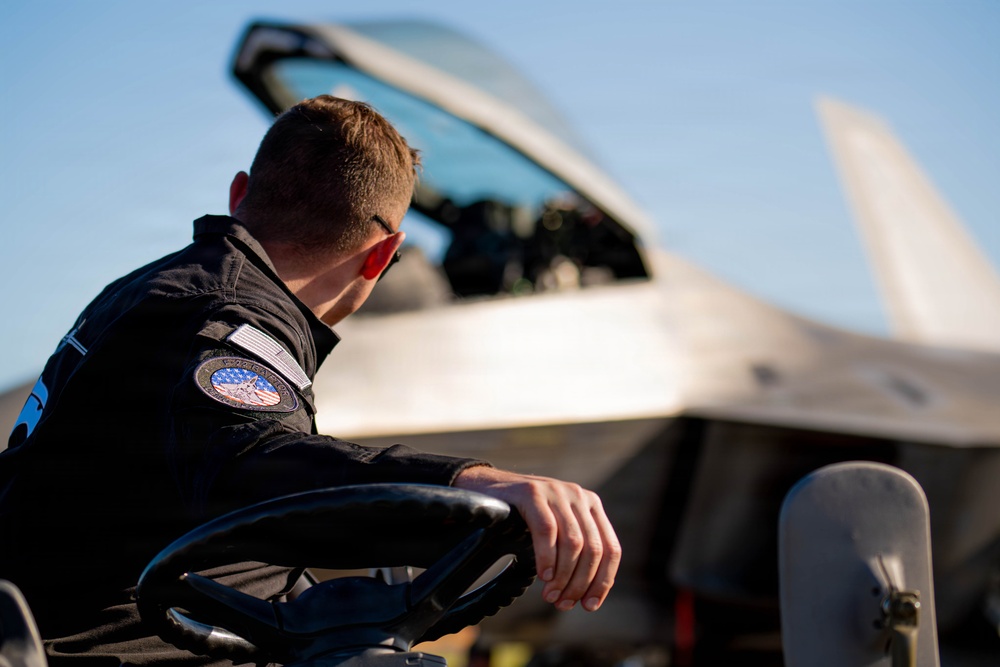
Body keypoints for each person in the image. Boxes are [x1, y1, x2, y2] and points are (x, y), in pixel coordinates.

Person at [0, 95, 620, 665]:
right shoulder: (222, 315)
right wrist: (472, 483)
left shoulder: (167, 290)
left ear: (240, 193)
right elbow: (258, 460)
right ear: (383, 254)